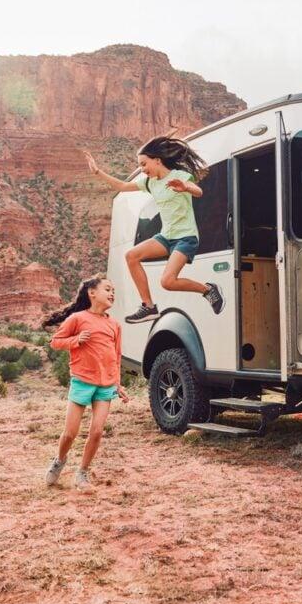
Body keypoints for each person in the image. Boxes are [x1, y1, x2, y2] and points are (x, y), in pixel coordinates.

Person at [82, 136, 224, 324]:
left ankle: (207, 290)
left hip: (185, 237)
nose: (142, 169)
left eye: (144, 164)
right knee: (131, 256)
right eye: (140, 166)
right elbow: (122, 186)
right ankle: (148, 306)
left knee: (168, 282)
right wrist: (98, 172)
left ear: (157, 160)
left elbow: (198, 191)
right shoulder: (150, 183)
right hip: (166, 236)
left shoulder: (179, 176)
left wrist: (185, 188)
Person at [42, 275, 129, 489]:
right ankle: (59, 461)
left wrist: (118, 384)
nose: (112, 294)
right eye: (107, 289)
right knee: (70, 433)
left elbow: (116, 356)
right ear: (92, 293)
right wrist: (75, 341)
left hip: (106, 385)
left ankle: (82, 473)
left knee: (97, 431)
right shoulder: (77, 319)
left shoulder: (114, 325)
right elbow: (55, 342)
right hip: (82, 381)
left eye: (113, 291)